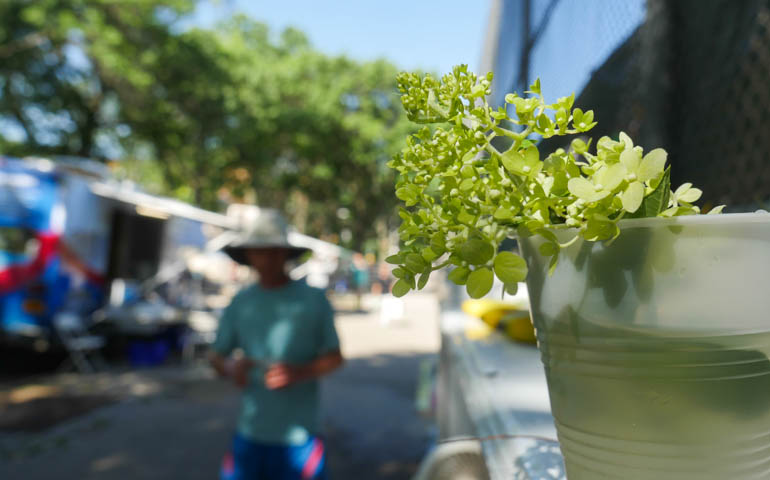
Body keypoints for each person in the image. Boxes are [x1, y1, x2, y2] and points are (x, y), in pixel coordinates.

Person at [209, 208, 344, 480]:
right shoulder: (241, 302)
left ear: (285, 253)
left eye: (274, 250)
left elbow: (335, 357)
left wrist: (300, 372)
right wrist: (231, 367)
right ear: (248, 255)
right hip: (251, 432)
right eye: (259, 251)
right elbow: (216, 356)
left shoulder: (313, 300)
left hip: (300, 435)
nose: (267, 258)